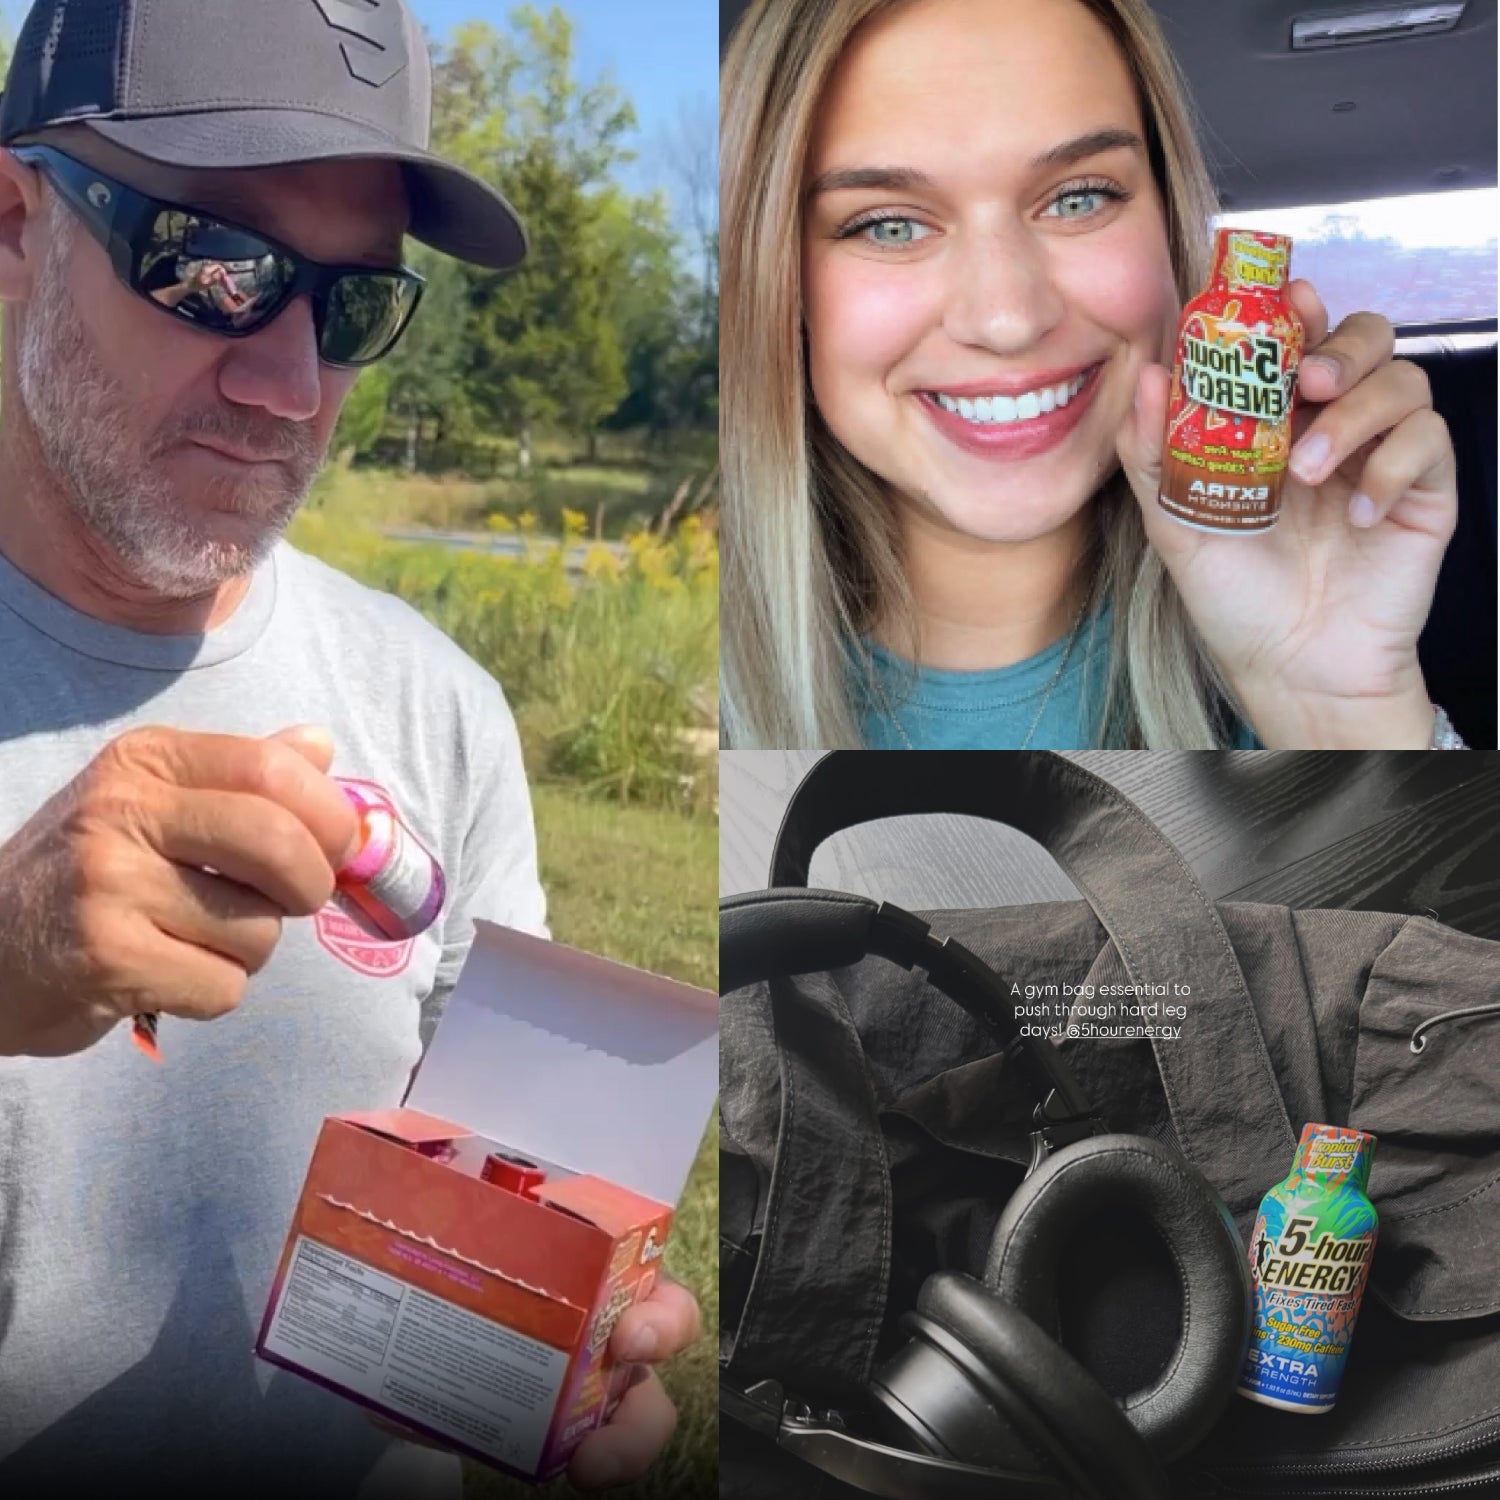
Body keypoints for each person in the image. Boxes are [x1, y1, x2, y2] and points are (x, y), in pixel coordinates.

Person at [0, 0, 699, 1494]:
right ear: (12, 223)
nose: (291, 386)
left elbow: (508, 1170)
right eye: (213, 268)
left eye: (352, 304)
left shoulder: (438, 704)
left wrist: (550, 1358)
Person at [720, 0, 1464, 750]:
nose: (1007, 317)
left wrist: (1341, 717)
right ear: (780, 281)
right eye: (889, 224)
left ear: (1172, 231)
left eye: (1078, 199)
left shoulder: (1289, 646)